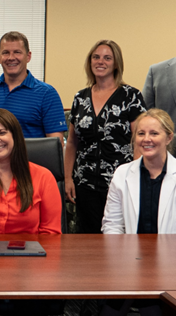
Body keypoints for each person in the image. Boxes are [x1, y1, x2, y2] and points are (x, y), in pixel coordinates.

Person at [64, 40, 146, 234]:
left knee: (117, 237)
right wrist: (68, 179)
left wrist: (135, 179)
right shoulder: (80, 98)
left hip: (119, 182)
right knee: (87, 240)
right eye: (96, 57)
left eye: (107, 58)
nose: (101, 62)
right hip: (85, 183)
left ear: (116, 63)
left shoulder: (130, 96)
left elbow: (140, 142)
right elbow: (72, 143)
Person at [101, 108, 176, 234]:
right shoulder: (121, 174)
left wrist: (172, 253)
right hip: (131, 252)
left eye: (154, 133)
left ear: (169, 138)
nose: (146, 139)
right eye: (141, 133)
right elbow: (112, 225)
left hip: (175, 252)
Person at [0, 31, 66, 144]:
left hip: (30, 161)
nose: (11, 57)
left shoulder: (47, 93)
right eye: (6, 53)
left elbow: (55, 143)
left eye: (17, 52)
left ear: (28, 56)